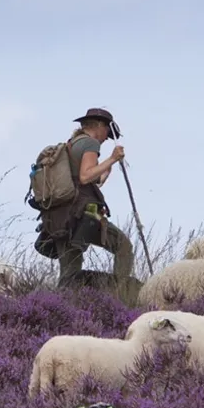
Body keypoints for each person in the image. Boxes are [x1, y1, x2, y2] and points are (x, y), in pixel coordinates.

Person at [46, 108, 135, 287]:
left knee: (69, 273)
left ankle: (61, 308)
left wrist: (106, 168)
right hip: (81, 215)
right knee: (123, 246)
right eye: (107, 133)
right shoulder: (90, 144)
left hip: (60, 216)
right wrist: (111, 159)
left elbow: (90, 181)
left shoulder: (72, 144)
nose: (105, 138)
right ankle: (120, 295)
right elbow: (85, 176)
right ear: (100, 126)